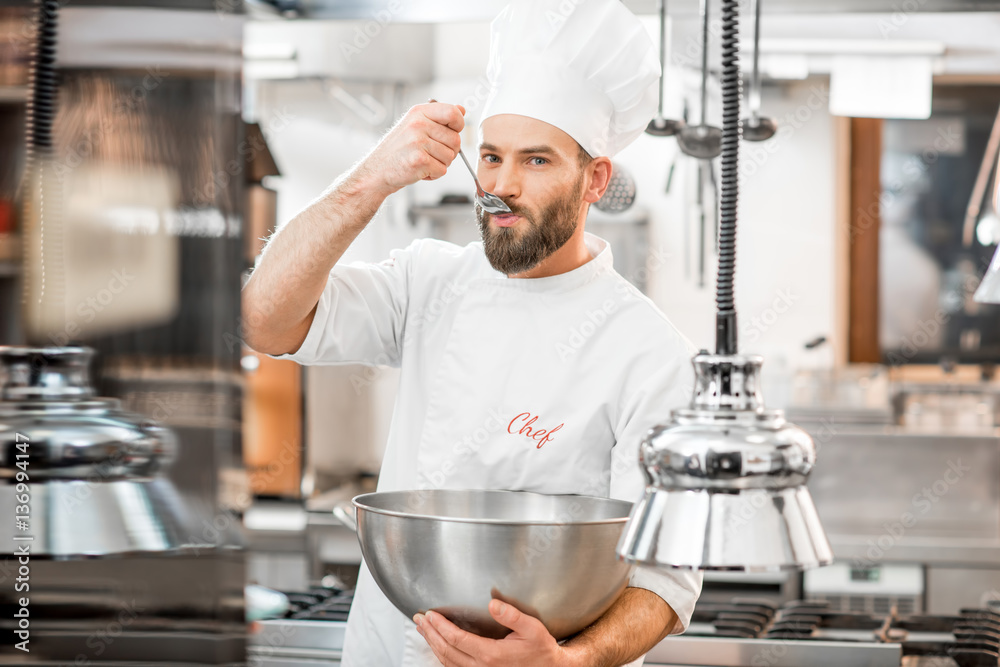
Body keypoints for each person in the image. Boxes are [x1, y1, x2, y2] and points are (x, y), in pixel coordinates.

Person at [242, 0, 703, 664]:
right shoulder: (429, 284)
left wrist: (570, 660)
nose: (502, 186)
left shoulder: (651, 354)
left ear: (594, 179)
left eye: (537, 161)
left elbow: (666, 576)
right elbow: (265, 317)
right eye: (491, 157)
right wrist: (371, 179)